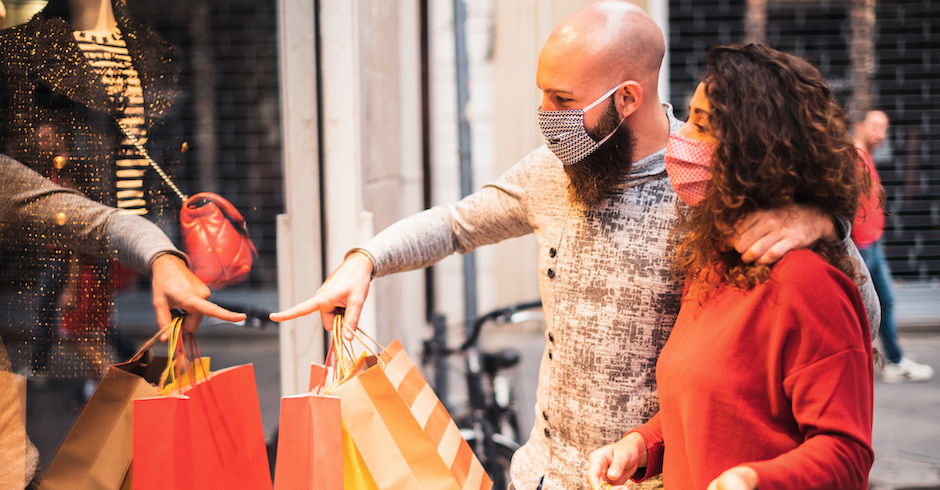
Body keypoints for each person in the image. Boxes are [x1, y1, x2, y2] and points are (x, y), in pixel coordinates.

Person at [272, 3, 879, 489]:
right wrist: (366, 259)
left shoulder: (709, 191)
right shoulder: (554, 170)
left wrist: (825, 223)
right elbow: (456, 224)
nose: (545, 116)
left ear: (627, 98)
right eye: (543, 94)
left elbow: (848, 318)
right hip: (545, 472)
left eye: (562, 101)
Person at [586, 43, 875, 490]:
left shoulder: (807, 282)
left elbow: (847, 455)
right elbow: (708, 406)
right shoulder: (711, 262)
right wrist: (641, 445)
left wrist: (753, 479)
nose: (681, 137)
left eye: (702, 125)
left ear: (756, 151)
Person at [0, 153, 246, 489]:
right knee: (89, 336)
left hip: (10, 474)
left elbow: (102, 224)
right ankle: (108, 385)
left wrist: (163, 258)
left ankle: (111, 386)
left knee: (84, 335)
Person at [0, 0, 185, 389]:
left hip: (81, 264)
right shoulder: (54, 167)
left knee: (79, 329)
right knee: (87, 329)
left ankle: (125, 390)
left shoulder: (72, 170)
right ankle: (129, 384)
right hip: (77, 262)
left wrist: (73, 282)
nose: (40, 136)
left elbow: (87, 225)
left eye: (45, 130)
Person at [852, 110, 934, 383]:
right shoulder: (853, 158)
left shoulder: (865, 156)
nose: (882, 134)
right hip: (861, 247)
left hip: (872, 244)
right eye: (876, 127)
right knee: (863, 307)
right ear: (860, 126)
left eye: (885, 129)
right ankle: (865, 364)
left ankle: (893, 360)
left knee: (883, 302)